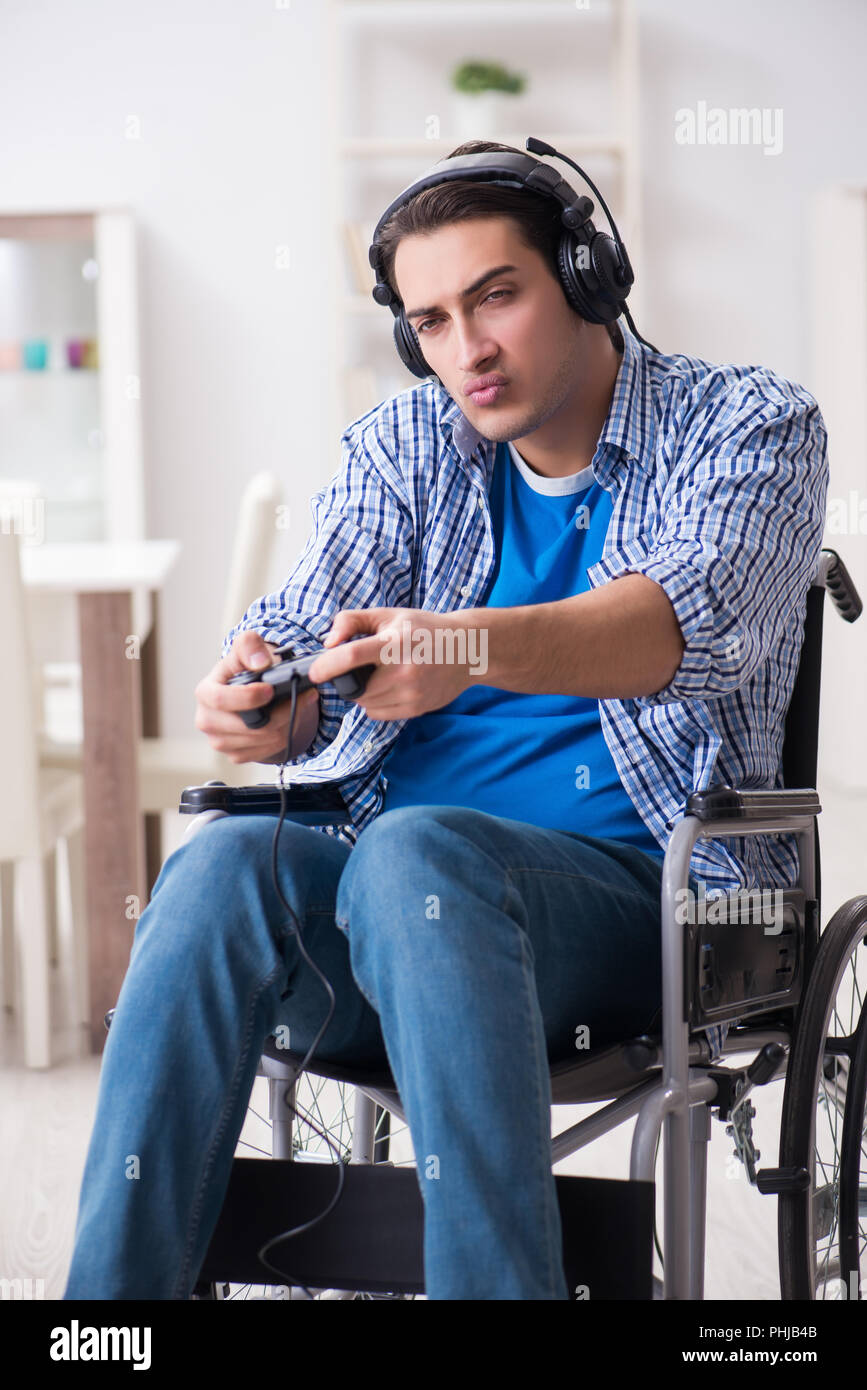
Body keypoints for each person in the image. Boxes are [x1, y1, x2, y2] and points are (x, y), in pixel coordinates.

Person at [63, 139, 829, 1301]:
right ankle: (105, 1321)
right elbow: (303, 626)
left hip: (645, 906)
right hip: (392, 919)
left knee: (416, 850)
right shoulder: (407, 444)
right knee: (221, 862)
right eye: (428, 320)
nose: (464, 351)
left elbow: (686, 625)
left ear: (584, 276)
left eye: (497, 297)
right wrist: (269, 692)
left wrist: (465, 651)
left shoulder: (751, 426)